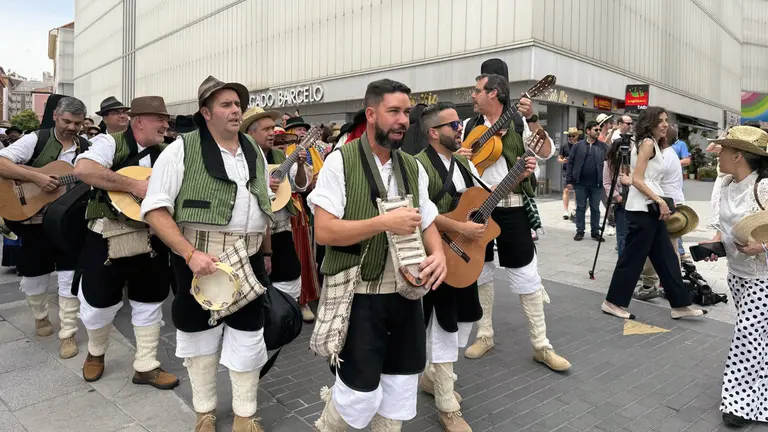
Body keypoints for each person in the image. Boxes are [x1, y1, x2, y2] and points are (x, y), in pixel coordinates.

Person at [309, 79, 447, 432]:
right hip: (360, 298)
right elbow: (324, 231)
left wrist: (440, 256)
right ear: (371, 114)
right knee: (359, 394)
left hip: (405, 297)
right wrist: (383, 222)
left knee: (400, 390)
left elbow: (427, 220)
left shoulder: (411, 167)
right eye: (394, 112)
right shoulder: (340, 162)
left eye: (407, 112)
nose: (403, 120)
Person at [141, 76, 274, 432]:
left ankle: (245, 416)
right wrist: (189, 255)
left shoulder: (252, 148)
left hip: (247, 259)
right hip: (199, 260)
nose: (235, 110)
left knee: (249, 336)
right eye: (226, 105)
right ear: (206, 112)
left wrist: (265, 252)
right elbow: (155, 210)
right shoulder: (180, 149)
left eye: (237, 104)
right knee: (199, 339)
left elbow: (261, 207)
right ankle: (204, 412)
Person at [416, 102, 523, 432]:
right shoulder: (418, 166)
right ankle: (446, 404)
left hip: (464, 258)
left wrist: (519, 173)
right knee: (443, 327)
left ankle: (433, 376)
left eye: (457, 124)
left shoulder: (463, 165)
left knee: (464, 322)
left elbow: (484, 198)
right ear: (434, 132)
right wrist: (461, 228)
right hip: (438, 255)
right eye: (451, 125)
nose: (459, 129)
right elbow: (421, 214)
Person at [461, 70, 570, 372]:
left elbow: (547, 152)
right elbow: (464, 167)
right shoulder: (470, 126)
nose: (473, 95)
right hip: (480, 207)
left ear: (493, 93)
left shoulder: (519, 121)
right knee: (480, 272)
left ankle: (541, 345)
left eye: (477, 90)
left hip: (512, 206)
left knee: (525, 274)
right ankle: (485, 334)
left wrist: (534, 119)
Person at [73, 96, 178, 389]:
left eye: (166, 120)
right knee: (98, 304)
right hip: (107, 235)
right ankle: (95, 352)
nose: (165, 125)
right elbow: (83, 170)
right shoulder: (110, 143)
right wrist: (135, 186)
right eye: (160, 120)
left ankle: (146, 365)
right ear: (139, 120)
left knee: (151, 299)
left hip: (152, 235)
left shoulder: (167, 153)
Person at [0, 97, 88, 359]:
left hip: (69, 220)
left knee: (68, 272)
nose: (72, 127)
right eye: (67, 121)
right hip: (32, 217)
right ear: (55, 118)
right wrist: (37, 177)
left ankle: (68, 332)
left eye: (78, 123)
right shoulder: (35, 139)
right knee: (34, 272)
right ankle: (40, 316)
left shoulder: (86, 146)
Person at [601, 107, 705, 320]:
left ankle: (680, 305)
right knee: (632, 258)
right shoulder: (648, 143)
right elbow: (638, 179)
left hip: (650, 209)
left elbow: (639, 178)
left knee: (665, 257)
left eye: (666, 120)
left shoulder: (653, 144)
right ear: (650, 123)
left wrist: (657, 201)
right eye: (661, 121)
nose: (666, 124)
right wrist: (659, 200)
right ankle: (612, 302)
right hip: (642, 210)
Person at [704, 126, 768, 427]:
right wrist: (717, 244)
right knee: (758, 340)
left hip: (762, 277)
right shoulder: (727, 184)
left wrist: (762, 246)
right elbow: (724, 224)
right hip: (736, 275)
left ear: (738, 155)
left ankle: (737, 405)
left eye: (724, 150)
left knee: (746, 337)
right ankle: (761, 398)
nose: (718, 154)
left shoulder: (764, 188)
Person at [242, 106, 316, 322]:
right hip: (254, 228)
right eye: (265, 129)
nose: (272, 133)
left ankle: (285, 315)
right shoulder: (242, 158)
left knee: (290, 271)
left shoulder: (279, 155)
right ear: (250, 133)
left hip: (280, 226)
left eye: (272, 128)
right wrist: (262, 186)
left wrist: (301, 165)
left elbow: (300, 186)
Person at [566, 121, 609, 242]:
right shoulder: (577, 146)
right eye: (596, 130)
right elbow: (571, 163)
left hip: (597, 183)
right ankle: (580, 231)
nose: (598, 132)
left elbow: (609, 164)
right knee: (580, 207)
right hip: (580, 183)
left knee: (595, 208)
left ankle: (595, 232)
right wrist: (569, 180)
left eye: (599, 130)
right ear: (588, 131)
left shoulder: (603, 147)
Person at [603, 140, 632, 256]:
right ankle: (622, 261)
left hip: (634, 199)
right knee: (622, 234)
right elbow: (607, 184)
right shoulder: (608, 164)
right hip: (620, 201)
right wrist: (617, 196)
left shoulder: (634, 162)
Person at [559, 128, 580, 220]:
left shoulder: (581, 145)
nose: (570, 138)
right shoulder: (564, 146)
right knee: (566, 190)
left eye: (573, 136)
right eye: (569, 136)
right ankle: (565, 210)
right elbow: (559, 159)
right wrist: (563, 160)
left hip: (578, 171)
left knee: (577, 190)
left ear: (577, 136)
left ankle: (576, 209)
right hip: (567, 171)